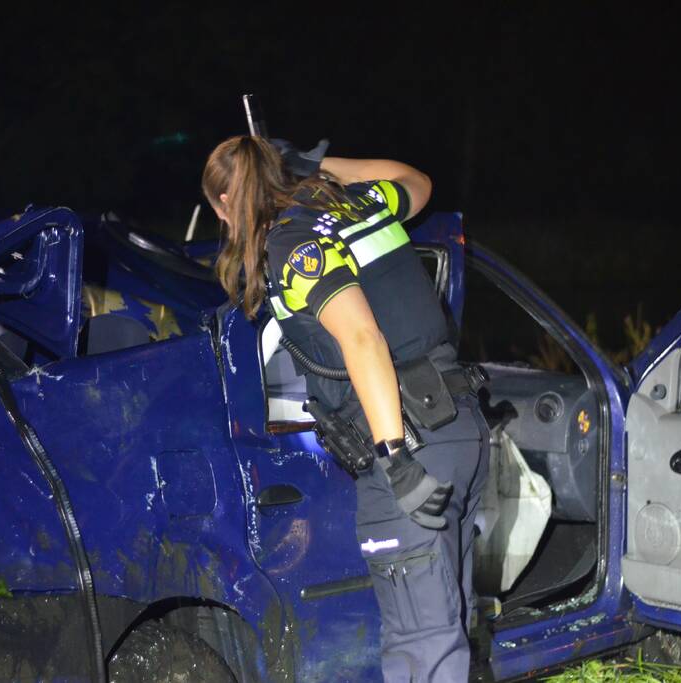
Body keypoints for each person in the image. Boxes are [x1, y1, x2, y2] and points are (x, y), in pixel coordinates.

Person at [202, 136, 490, 682]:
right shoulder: (358, 203)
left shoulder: (293, 245)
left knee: (421, 652)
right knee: (448, 628)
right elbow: (418, 181)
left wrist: (395, 460)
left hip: (412, 445)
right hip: (459, 429)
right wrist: (315, 166)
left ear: (223, 203)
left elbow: (362, 338)